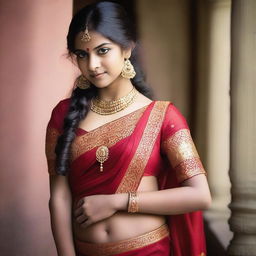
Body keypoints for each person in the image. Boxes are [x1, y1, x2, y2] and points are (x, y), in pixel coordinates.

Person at [45, 1, 211, 256]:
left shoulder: (163, 116)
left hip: (149, 250)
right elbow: (59, 197)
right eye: (82, 54)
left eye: (102, 51)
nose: (92, 65)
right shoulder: (64, 114)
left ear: (127, 48)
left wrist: (118, 202)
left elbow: (199, 195)